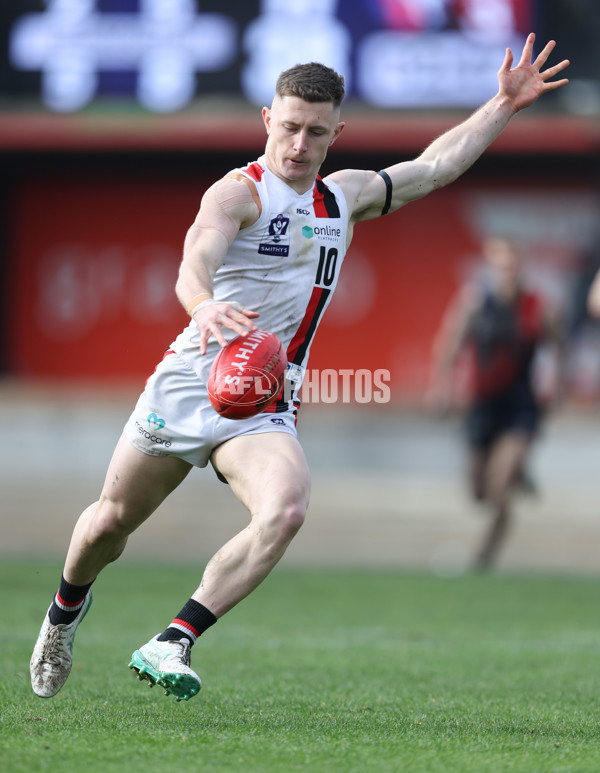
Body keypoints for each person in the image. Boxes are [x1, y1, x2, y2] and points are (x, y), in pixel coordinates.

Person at [30, 34, 569, 701]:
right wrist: (201, 306)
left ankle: (174, 637)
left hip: (262, 400)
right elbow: (194, 258)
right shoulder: (237, 194)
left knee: (285, 508)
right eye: (288, 127)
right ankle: (62, 614)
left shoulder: (343, 199)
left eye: (315, 131)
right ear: (267, 120)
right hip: (192, 379)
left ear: (336, 132)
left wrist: (502, 105)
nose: (298, 143)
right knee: (110, 523)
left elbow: (433, 167)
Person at [427, 237, 565, 570]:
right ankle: (518, 472)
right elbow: (448, 347)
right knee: (479, 490)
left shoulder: (538, 307)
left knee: (498, 487)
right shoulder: (475, 303)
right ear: (491, 266)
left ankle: (484, 556)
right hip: (481, 404)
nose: (508, 271)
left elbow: (559, 348)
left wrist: (557, 385)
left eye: (513, 264)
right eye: (501, 264)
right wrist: (442, 389)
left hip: (520, 405)